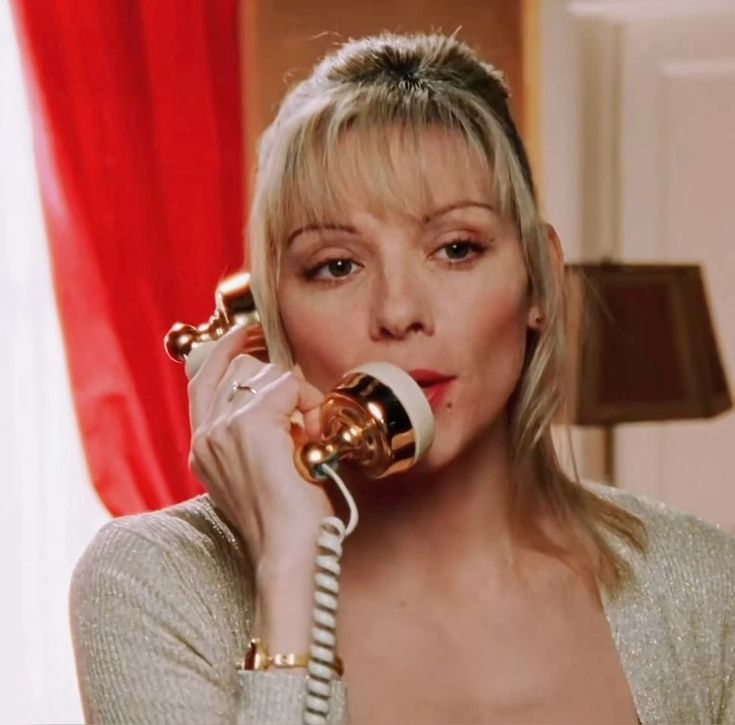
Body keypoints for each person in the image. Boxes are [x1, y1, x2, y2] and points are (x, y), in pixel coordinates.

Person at [70, 32, 735, 724]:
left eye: (456, 249)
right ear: (270, 317)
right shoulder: (152, 583)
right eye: (336, 266)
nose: (397, 312)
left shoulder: (707, 587)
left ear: (539, 279)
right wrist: (289, 569)